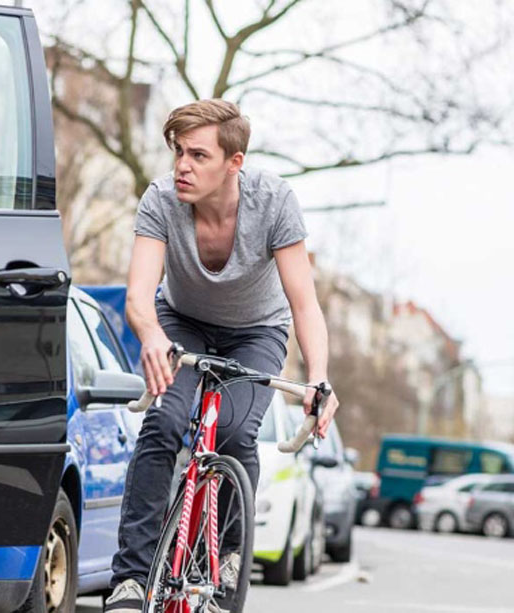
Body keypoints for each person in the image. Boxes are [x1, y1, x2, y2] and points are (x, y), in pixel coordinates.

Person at [103, 99, 340, 613]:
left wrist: (319, 378)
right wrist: (149, 335)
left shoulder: (273, 203)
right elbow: (139, 297)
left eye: (198, 155)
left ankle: (230, 550)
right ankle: (131, 578)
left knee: (235, 431)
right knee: (165, 422)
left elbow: (305, 304)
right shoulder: (161, 201)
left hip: (257, 331)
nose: (182, 166)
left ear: (234, 162)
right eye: (178, 152)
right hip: (181, 323)